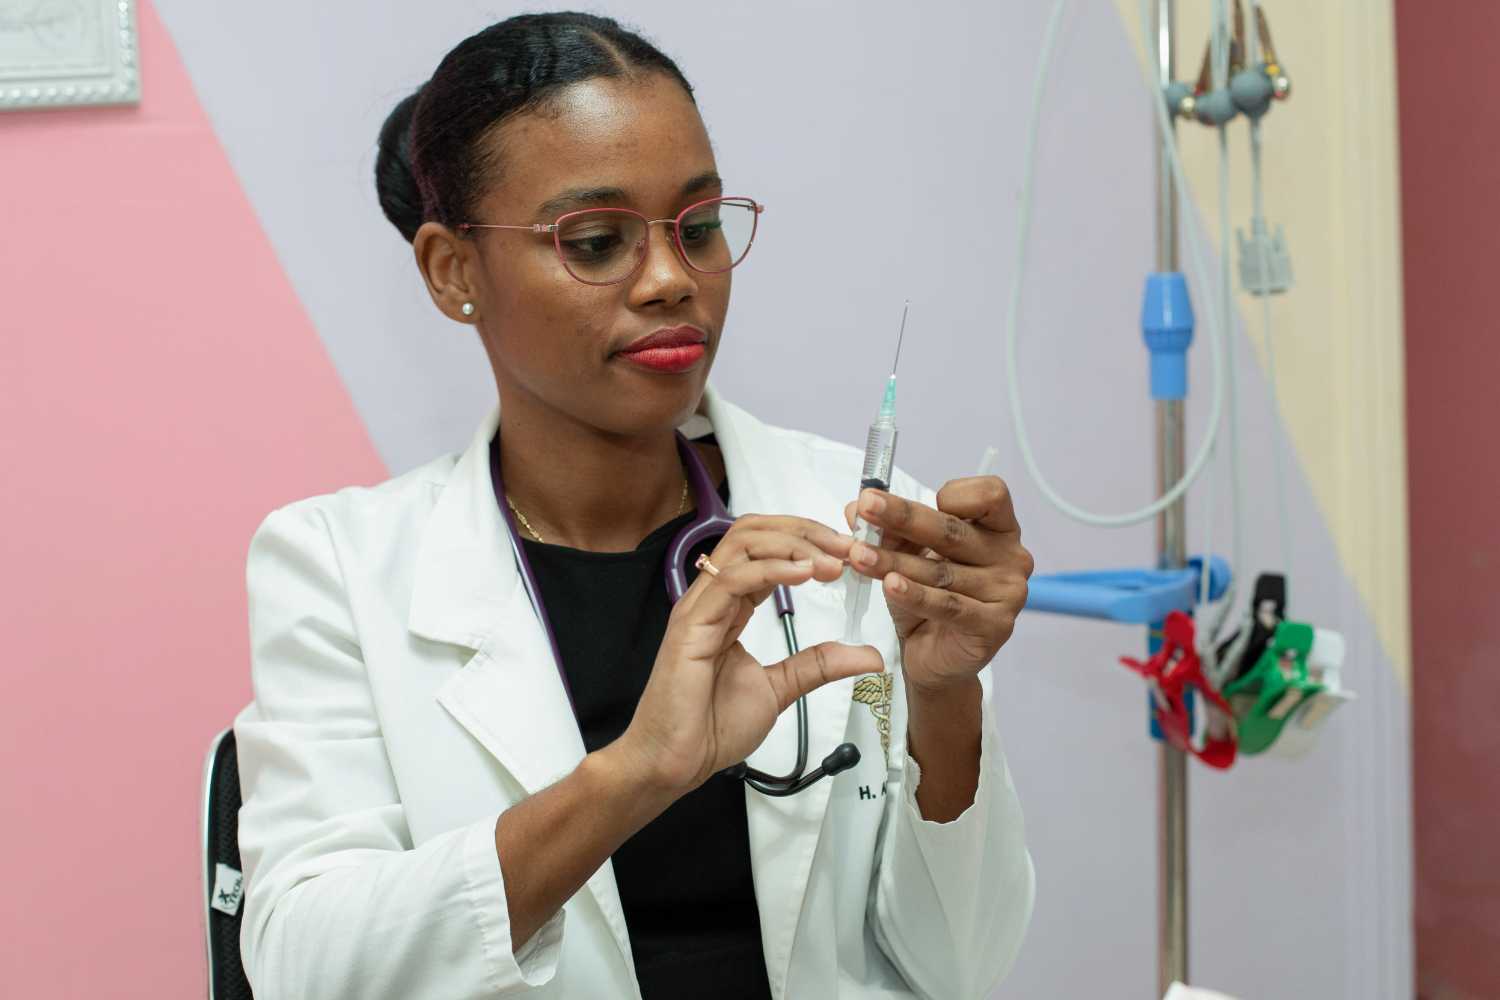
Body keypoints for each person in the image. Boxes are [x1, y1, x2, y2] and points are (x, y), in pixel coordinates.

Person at [235, 12, 1034, 1000]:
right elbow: (303, 969)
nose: (671, 280)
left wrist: (944, 699)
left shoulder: (864, 525)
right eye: (597, 240)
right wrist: (635, 774)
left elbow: (965, 965)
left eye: (698, 227)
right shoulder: (337, 567)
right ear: (453, 271)